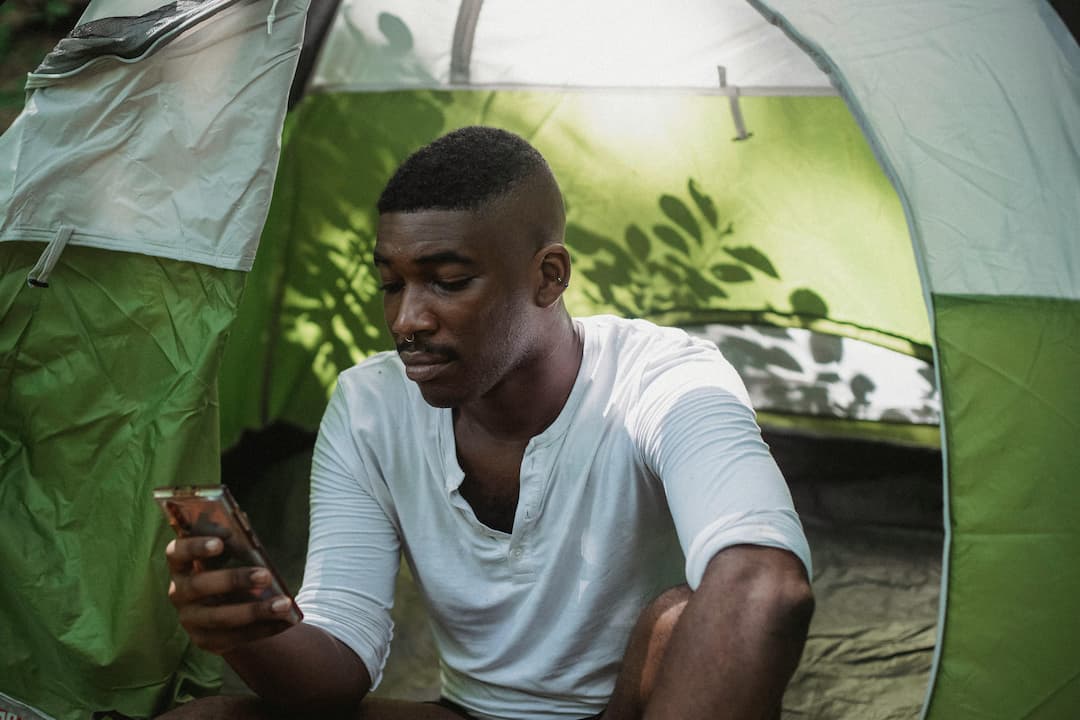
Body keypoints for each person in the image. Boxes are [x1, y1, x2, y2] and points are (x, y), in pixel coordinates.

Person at [161, 126, 814, 720]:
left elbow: (766, 587)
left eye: (447, 281)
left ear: (548, 277)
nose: (406, 320)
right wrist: (252, 628)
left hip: (635, 709)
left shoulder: (662, 380)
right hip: (470, 714)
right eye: (390, 283)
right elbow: (337, 670)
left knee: (680, 618)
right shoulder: (370, 407)